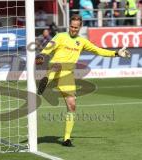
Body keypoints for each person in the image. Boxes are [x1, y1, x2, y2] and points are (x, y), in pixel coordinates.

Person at [35, 15, 130, 147]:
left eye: (76, 27)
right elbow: (47, 49)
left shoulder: (82, 41)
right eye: (72, 26)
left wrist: (115, 53)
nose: (73, 29)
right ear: (69, 26)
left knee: (72, 105)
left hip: (67, 76)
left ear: (80, 28)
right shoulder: (60, 36)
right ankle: (45, 80)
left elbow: (98, 50)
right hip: (55, 68)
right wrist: (41, 55)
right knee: (57, 65)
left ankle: (66, 139)